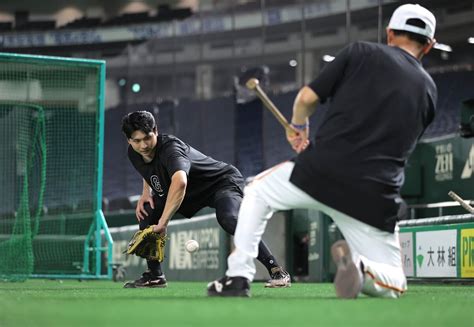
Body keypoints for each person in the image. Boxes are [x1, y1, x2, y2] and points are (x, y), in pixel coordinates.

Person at [208, 3, 437, 298]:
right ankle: (365, 269)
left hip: (321, 171)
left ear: (390, 33)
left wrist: (299, 126)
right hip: (375, 194)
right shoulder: (430, 90)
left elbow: (305, 98)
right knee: (395, 283)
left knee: (256, 191)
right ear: (429, 46)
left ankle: (238, 276)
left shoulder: (361, 52)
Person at [121, 110, 290, 288]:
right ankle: (154, 276)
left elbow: (179, 183)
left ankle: (276, 270)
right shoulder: (134, 153)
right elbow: (148, 168)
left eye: (147, 137)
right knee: (147, 210)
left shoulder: (171, 149)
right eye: (137, 141)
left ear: (155, 130)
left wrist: (163, 223)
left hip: (220, 183)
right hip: (190, 192)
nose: (143, 145)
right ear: (129, 141)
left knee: (228, 219)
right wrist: (145, 192)